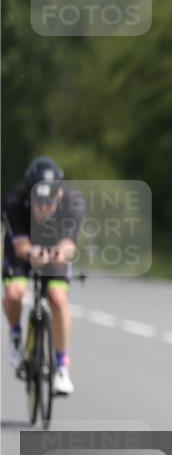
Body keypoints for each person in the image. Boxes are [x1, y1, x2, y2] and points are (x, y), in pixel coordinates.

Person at [3, 157, 84, 395]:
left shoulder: (73, 201)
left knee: (57, 298)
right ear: (29, 196)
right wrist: (30, 253)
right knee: (14, 292)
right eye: (40, 202)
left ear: (60, 194)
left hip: (54, 247)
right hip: (23, 248)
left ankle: (61, 367)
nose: (46, 207)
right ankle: (16, 336)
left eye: (51, 201)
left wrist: (60, 252)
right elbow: (19, 246)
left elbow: (69, 244)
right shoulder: (13, 200)